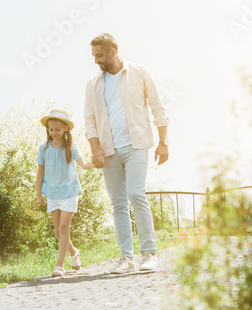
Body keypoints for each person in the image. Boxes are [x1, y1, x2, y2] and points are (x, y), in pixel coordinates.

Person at [83, 33, 170, 274]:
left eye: (99, 55)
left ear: (112, 52)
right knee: (118, 203)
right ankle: (126, 258)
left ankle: (149, 254)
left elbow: (157, 106)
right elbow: (89, 120)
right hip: (108, 151)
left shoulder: (139, 72)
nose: (96, 61)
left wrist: (163, 142)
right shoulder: (93, 84)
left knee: (136, 194)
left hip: (136, 145)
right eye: (94, 56)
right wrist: (95, 149)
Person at [35, 109, 95, 277]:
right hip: (52, 194)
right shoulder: (44, 148)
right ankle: (74, 251)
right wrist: (39, 193)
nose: (54, 132)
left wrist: (97, 163)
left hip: (69, 192)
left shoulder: (71, 147)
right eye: (51, 129)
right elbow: (40, 172)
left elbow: (83, 164)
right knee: (58, 231)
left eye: (57, 129)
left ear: (65, 129)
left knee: (63, 227)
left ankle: (59, 265)